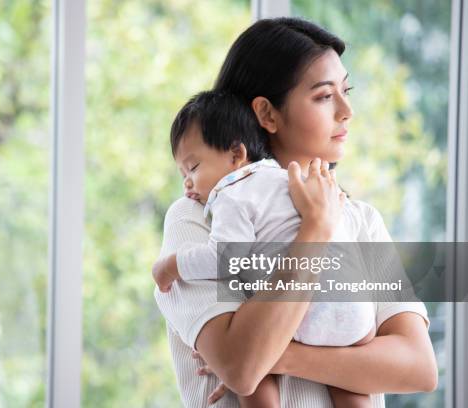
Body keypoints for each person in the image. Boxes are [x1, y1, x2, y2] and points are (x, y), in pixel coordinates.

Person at [154, 17, 437, 407]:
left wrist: (282, 357)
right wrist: (314, 230)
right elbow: (242, 367)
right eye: (324, 96)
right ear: (267, 114)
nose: (347, 110)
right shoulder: (197, 218)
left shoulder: (360, 219)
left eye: (346, 90)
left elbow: (418, 367)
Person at [152, 90, 375, 407]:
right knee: (353, 384)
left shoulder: (232, 192)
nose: (187, 183)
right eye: (183, 174)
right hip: (355, 310)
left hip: (302, 310)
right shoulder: (298, 183)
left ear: (236, 156)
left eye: (193, 167)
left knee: (254, 371)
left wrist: (171, 266)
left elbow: (225, 258)